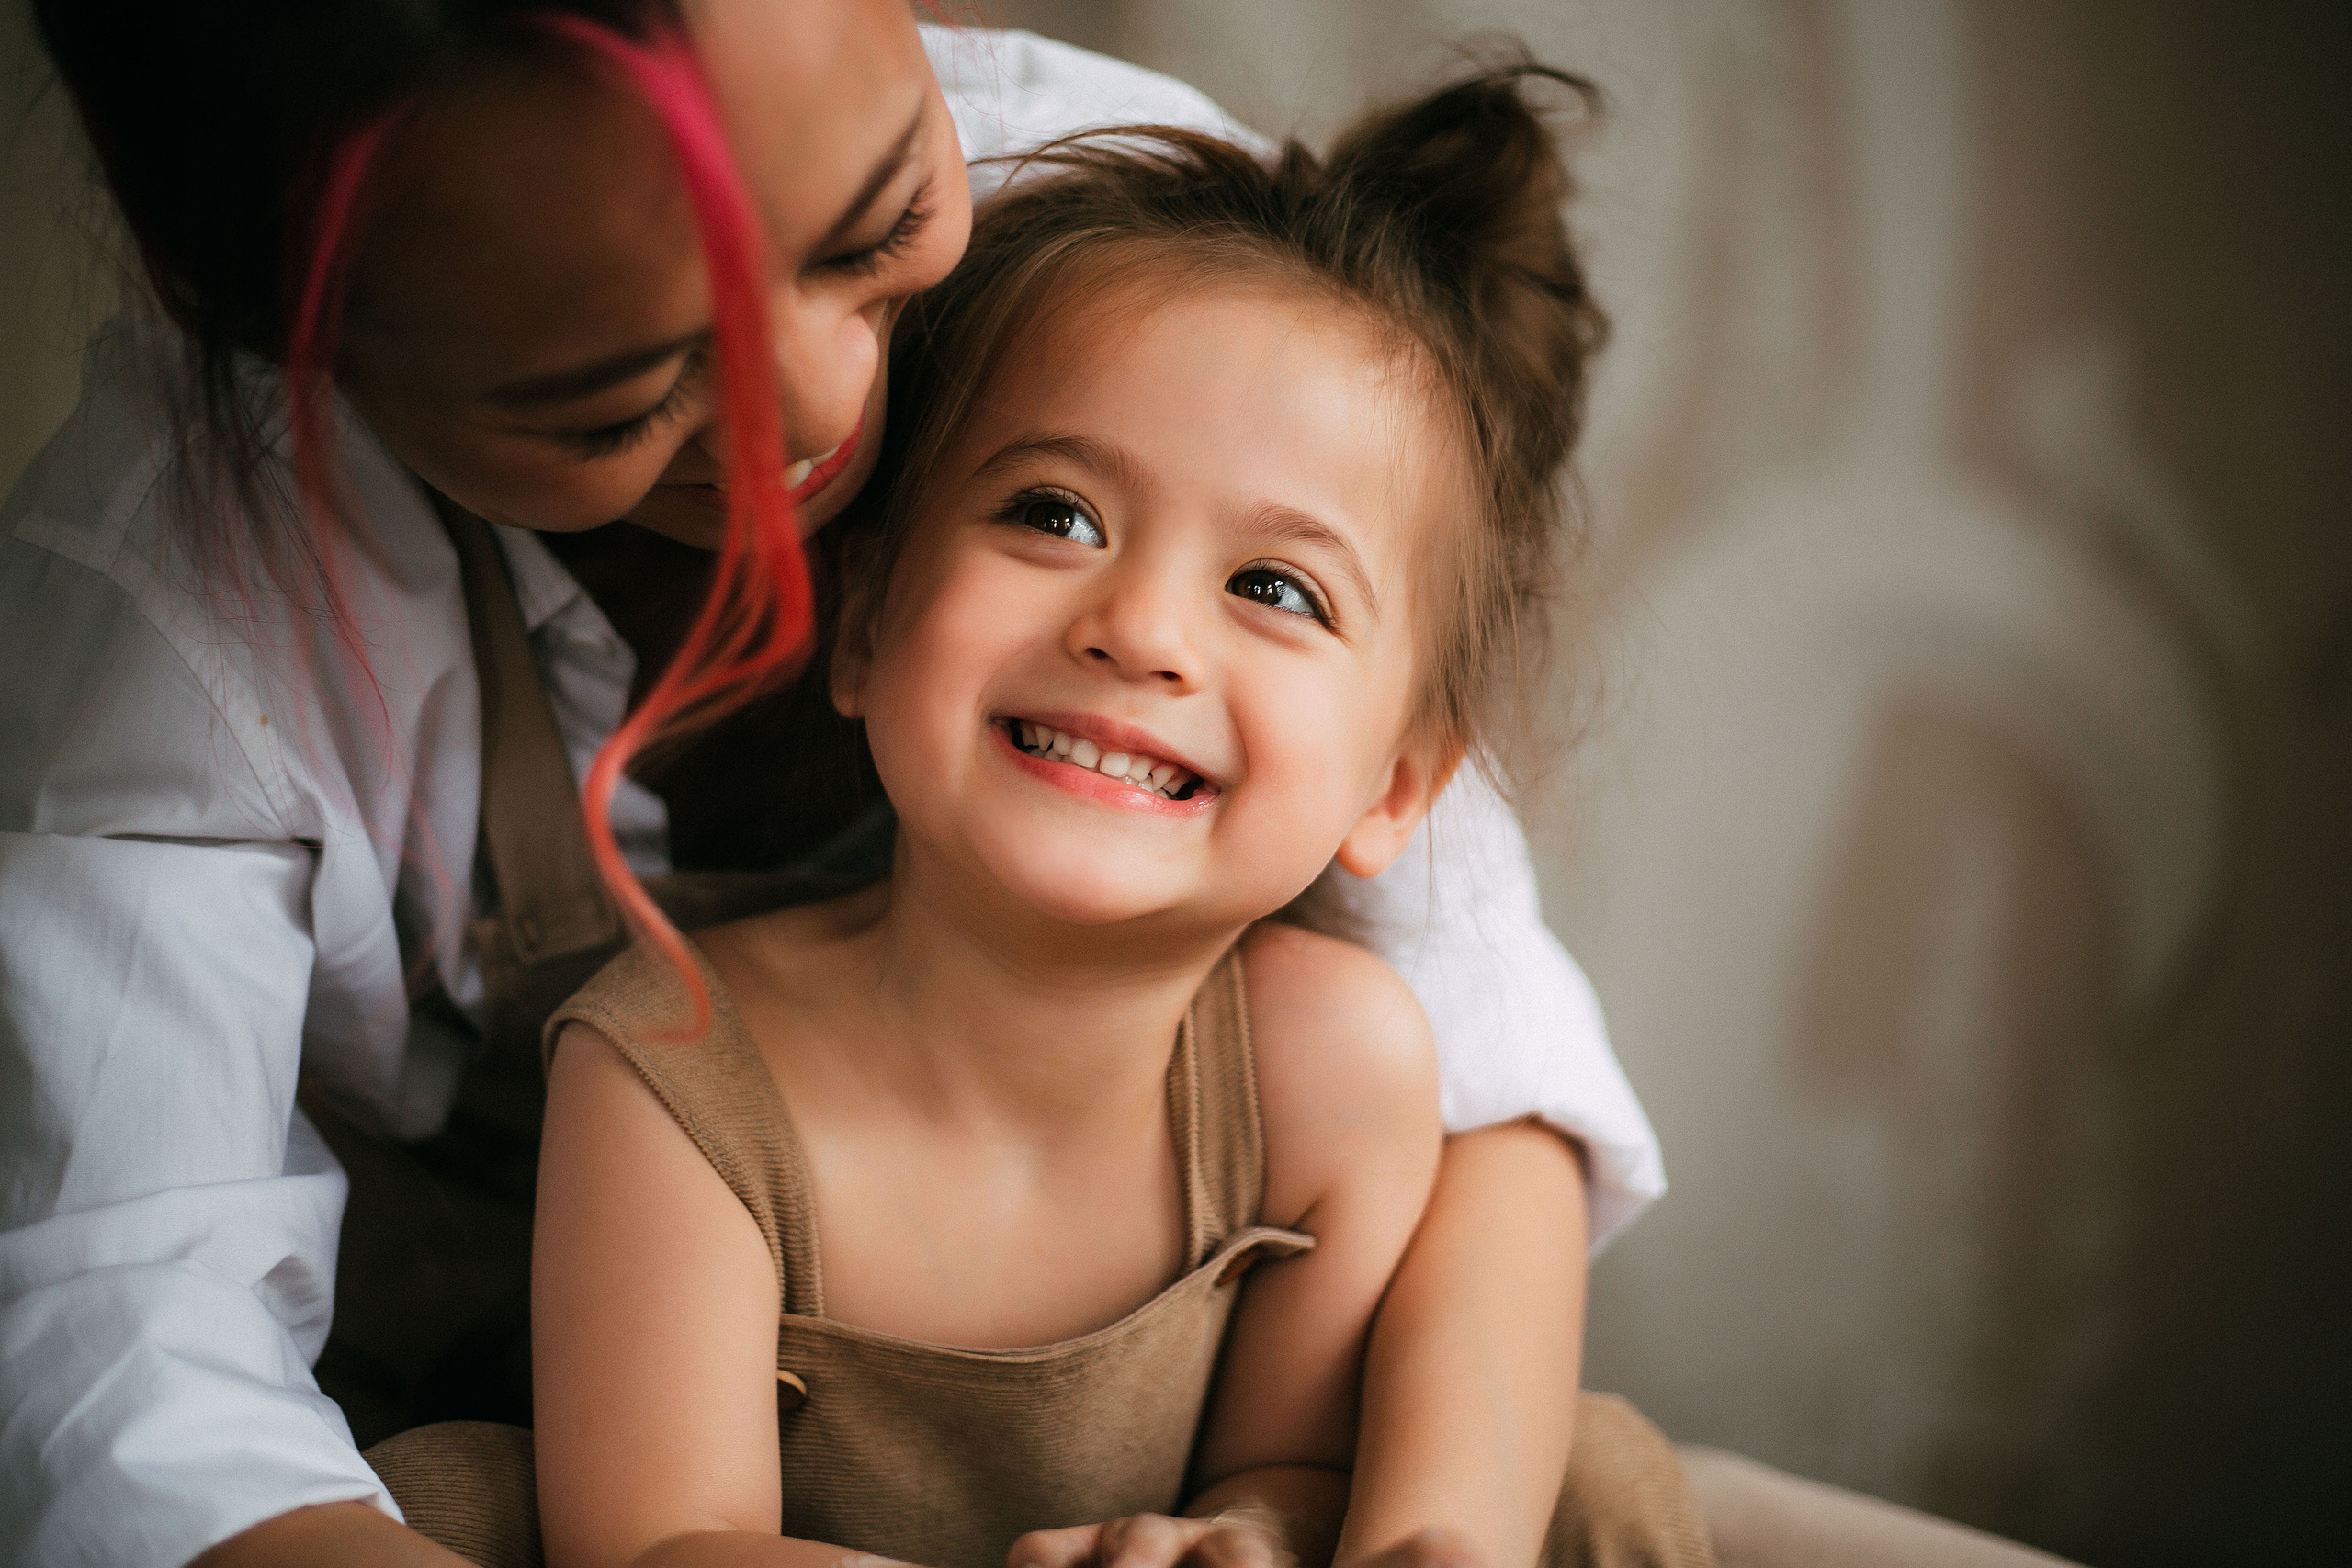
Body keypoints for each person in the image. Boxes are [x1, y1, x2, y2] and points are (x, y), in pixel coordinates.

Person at [0, 5, 1664, 1566]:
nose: (825, 415)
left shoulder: (1166, 267)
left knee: (1595, 1480)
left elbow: (1488, 1089)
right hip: (553, 1396)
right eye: (618, 387)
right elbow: (131, 1340)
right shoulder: (185, 600)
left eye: (872, 234)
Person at [492, 64, 1693, 1568]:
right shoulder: (671, 1067)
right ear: (860, 622)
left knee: (1599, 1481)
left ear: (1394, 790)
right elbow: (662, 1544)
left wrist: (1242, 1540)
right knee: (453, 1503)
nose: (1142, 628)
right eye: (1053, 513)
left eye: (1276, 589)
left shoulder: (1331, 1072)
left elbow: (1289, 1467)